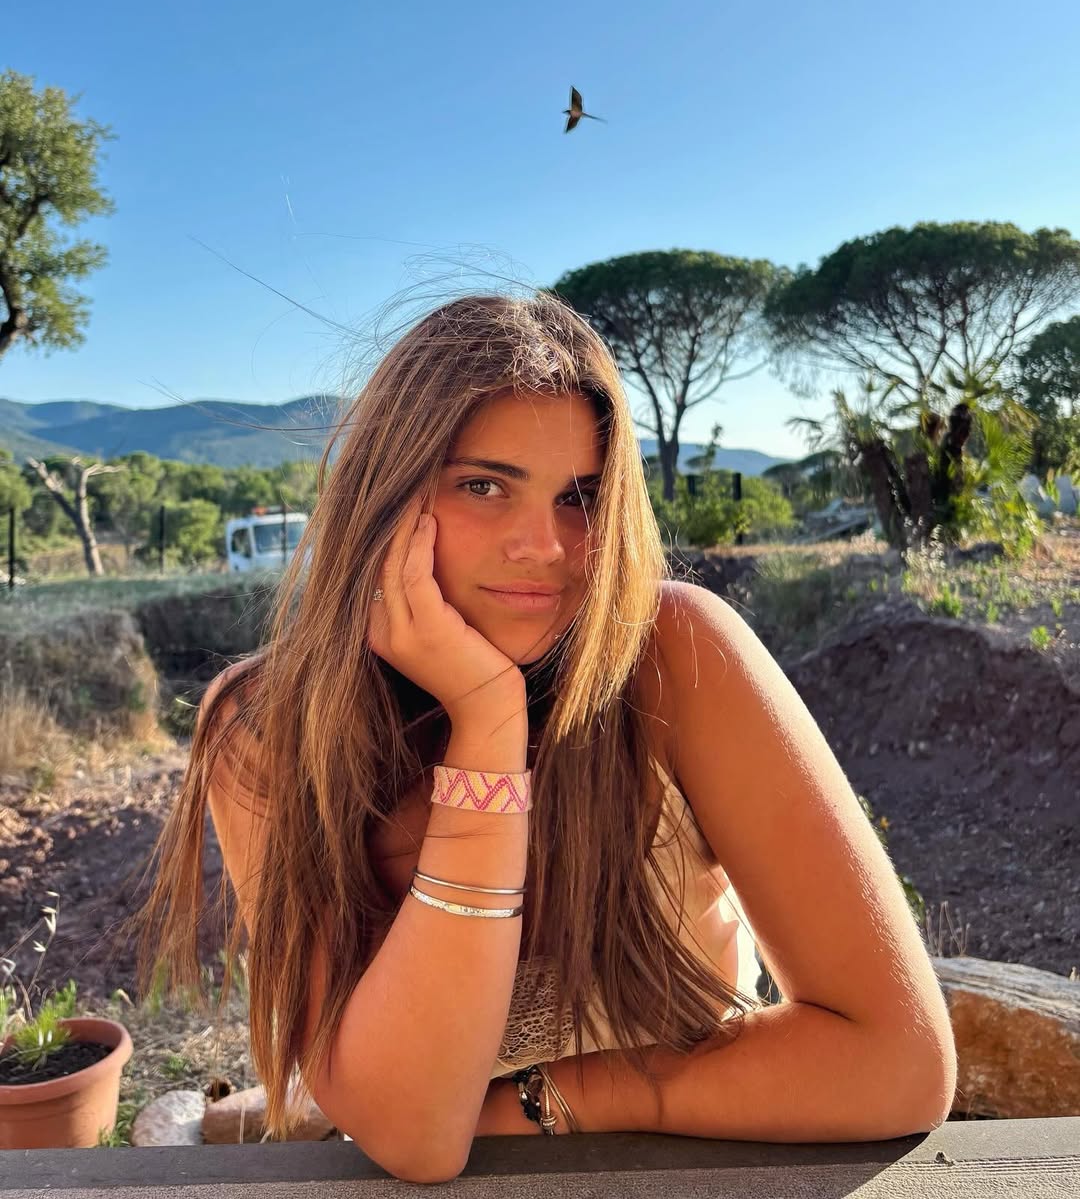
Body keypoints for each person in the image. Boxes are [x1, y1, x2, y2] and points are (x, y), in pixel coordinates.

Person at [126, 291, 955, 1183]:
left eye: (580, 496)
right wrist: (487, 723)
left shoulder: (674, 655)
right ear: (385, 496)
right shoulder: (265, 725)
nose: (546, 546)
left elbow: (896, 1061)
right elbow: (412, 1131)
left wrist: (546, 1102)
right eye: (484, 485)